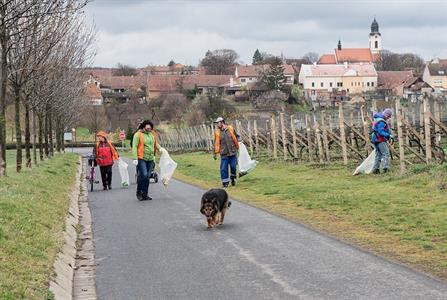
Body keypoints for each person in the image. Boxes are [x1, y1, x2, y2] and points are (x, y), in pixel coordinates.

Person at [132, 120, 161, 201]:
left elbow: (155, 144)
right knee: (143, 175)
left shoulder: (152, 135)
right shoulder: (138, 135)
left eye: (150, 126)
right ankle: (139, 193)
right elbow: (134, 146)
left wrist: (161, 149)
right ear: (144, 126)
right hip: (141, 158)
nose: (149, 127)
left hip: (150, 159)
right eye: (147, 126)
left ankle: (145, 194)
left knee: (147, 177)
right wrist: (135, 158)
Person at [213, 117, 240, 188]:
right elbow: (216, 143)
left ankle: (233, 178)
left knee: (233, 167)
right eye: (216, 123)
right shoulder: (217, 132)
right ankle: (225, 183)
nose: (217, 125)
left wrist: (239, 140)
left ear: (222, 122)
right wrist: (215, 153)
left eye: (217, 123)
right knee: (223, 169)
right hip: (224, 153)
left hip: (233, 152)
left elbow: (236, 136)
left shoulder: (230, 128)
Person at [371, 108, 393, 174]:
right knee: (386, 153)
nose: (389, 118)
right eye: (389, 116)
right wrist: (388, 135)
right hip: (380, 139)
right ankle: (386, 168)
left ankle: (376, 169)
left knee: (378, 155)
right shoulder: (381, 121)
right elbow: (381, 131)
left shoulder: (377, 119)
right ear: (387, 115)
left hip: (375, 139)